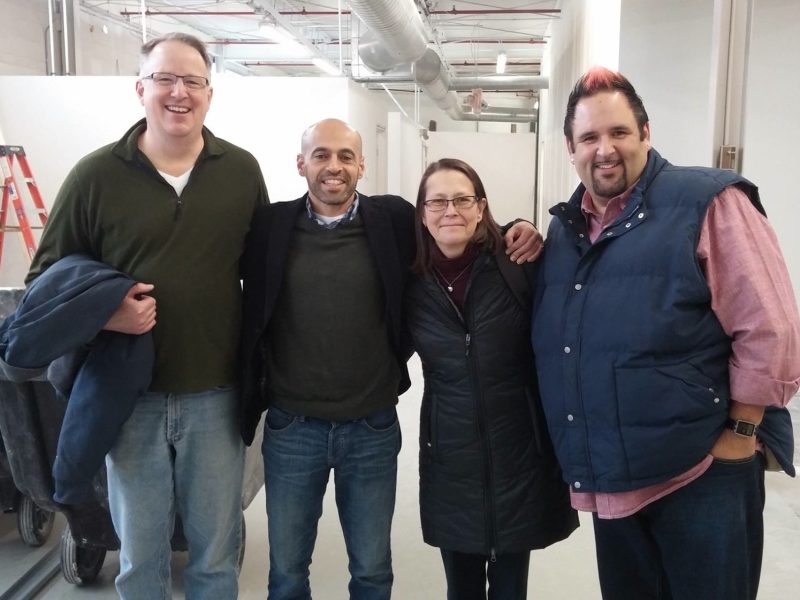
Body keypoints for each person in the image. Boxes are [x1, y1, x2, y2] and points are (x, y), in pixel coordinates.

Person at [239, 118, 540, 600]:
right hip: (292, 428)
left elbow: (456, 226)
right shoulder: (271, 227)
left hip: (371, 428)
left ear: (362, 164)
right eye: (320, 155)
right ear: (301, 164)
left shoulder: (392, 219)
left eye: (344, 156)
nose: (333, 166)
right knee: (288, 572)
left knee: (373, 571)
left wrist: (517, 229)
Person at [532, 66, 800, 599]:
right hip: (614, 478)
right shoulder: (566, 228)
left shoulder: (708, 201)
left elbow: (772, 329)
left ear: (646, 134)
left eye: (619, 133)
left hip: (701, 473)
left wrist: (741, 435)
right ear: (570, 147)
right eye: (589, 137)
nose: (604, 150)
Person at [26, 32, 269, 599]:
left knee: (214, 560)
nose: (178, 92)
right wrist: (106, 315)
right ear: (141, 89)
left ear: (210, 94)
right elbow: (44, 287)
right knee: (141, 562)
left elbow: (264, 279)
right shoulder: (95, 177)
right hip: (127, 399)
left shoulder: (240, 172)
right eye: (165, 78)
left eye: (193, 81)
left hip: (217, 396)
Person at [405, 158, 578, 600]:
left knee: (509, 588)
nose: (451, 211)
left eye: (462, 199)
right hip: (449, 456)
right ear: (422, 213)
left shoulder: (517, 264)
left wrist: (526, 226)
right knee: (460, 587)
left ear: (481, 207)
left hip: (517, 450)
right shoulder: (408, 281)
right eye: (438, 201)